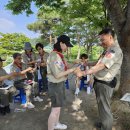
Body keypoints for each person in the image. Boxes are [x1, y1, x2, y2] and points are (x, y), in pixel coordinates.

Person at [75, 28, 123, 130]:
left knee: (105, 108)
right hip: (100, 82)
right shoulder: (108, 50)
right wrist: (86, 63)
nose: (101, 43)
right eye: (100, 40)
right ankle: (103, 124)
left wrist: (83, 73)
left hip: (104, 84)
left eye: (103, 40)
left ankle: (106, 127)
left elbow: (101, 66)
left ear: (110, 37)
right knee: (102, 107)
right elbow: (98, 63)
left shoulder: (114, 51)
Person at [47, 35, 78, 130]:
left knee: (58, 107)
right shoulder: (54, 55)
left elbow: (66, 65)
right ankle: (51, 128)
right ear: (61, 43)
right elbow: (57, 75)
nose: (67, 47)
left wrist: (75, 62)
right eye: (67, 45)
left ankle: (56, 124)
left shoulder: (59, 54)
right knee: (55, 110)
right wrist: (72, 70)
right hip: (55, 85)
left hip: (60, 84)